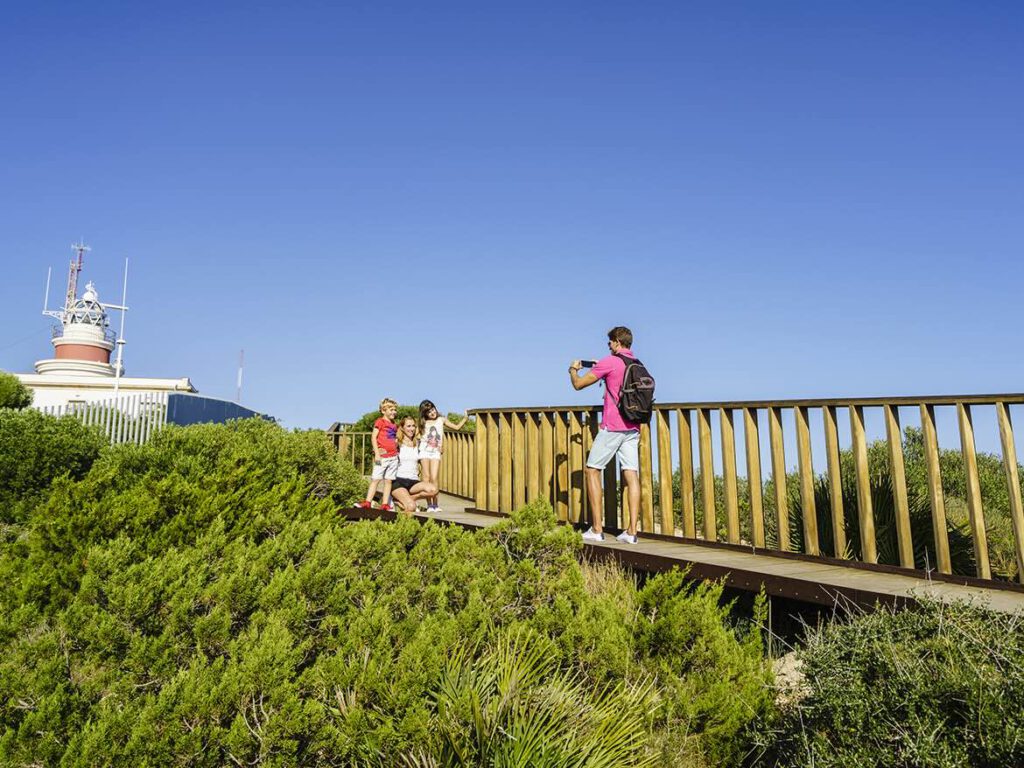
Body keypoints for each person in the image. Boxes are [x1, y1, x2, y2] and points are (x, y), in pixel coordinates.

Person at [568, 326, 641, 544]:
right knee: (631, 474)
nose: (608, 346)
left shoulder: (610, 361)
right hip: (633, 427)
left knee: (592, 470)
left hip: (613, 425)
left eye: (609, 343)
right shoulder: (637, 363)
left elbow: (579, 385)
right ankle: (631, 532)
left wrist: (573, 370)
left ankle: (597, 530)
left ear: (617, 342)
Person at [418, 399, 469, 512]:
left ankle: (436, 504)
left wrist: (465, 417)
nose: (432, 412)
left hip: (435, 452)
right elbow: (416, 437)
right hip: (424, 451)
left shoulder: (441, 419)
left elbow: (457, 427)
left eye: (432, 409)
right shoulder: (423, 423)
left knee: (434, 477)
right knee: (426, 478)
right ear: (424, 414)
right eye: (428, 412)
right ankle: (429, 505)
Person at [390, 416, 439, 514]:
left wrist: (439, 448)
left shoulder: (419, 443)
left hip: (413, 482)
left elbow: (432, 450)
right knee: (411, 507)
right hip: (398, 481)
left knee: (433, 490)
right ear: (402, 428)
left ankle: (410, 499)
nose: (411, 429)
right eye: (408, 426)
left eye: (413, 426)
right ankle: (404, 516)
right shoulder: (397, 443)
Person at [357, 398, 399, 511]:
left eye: (395, 410)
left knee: (389, 480)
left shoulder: (394, 425)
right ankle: (367, 502)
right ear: (383, 410)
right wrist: (377, 453)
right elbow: (373, 437)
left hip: (393, 457)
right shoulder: (380, 421)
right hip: (382, 457)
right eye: (391, 409)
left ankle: (385, 504)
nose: (394, 412)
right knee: (376, 479)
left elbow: (393, 438)